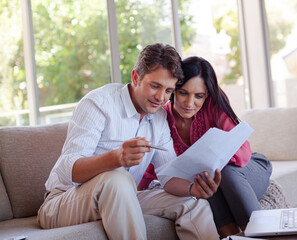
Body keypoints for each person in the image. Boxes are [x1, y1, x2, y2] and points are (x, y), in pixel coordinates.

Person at [37, 44, 221, 240]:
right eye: (155, 86)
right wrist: (116, 158)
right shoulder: (98, 104)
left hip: (124, 197)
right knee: (118, 178)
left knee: (193, 203)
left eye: (169, 90)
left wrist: (192, 188)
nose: (161, 98)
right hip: (63, 201)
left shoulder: (159, 119)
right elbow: (67, 170)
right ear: (136, 77)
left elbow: (168, 175)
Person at [138, 56, 272, 238]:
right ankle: (230, 236)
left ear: (206, 95)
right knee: (205, 184)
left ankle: (262, 234)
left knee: (222, 173)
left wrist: (214, 160)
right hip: (212, 180)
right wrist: (135, 192)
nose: (189, 103)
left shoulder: (214, 108)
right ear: (174, 90)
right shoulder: (162, 119)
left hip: (247, 169)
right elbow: (155, 167)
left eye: (198, 96)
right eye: (183, 93)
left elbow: (242, 155)